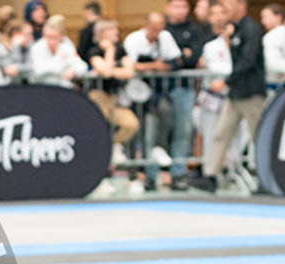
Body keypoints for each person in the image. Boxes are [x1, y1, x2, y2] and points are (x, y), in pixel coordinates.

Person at [191, 0, 266, 193]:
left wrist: (226, 81)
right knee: (221, 134)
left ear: (241, 4)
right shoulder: (234, 29)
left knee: (259, 137)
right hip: (235, 94)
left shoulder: (251, 29)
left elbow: (248, 61)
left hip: (251, 94)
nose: (226, 9)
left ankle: (265, 177)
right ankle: (210, 176)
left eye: (229, 4)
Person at [123, 13, 183, 192]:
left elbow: (175, 63)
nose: (157, 33)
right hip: (135, 93)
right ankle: (135, 171)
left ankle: (160, 157)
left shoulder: (165, 38)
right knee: (136, 131)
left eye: (160, 29)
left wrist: (153, 66)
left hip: (156, 92)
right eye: (154, 29)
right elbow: (131, 65)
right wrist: (155, 66)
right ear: (146, 25)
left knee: (164, 118)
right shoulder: (134, 39)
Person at [87, 19, 140, 194]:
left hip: (116, 99)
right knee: (102, 127)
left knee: (131, 124)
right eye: (112, 31)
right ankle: (101, 175)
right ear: (103, 33)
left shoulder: (121, 50)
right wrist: (109, 51)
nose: (117, 34)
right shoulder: (94, 50)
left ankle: (114, 145)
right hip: (98, 96)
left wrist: (113, 68)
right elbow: (107, 72)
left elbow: (129, 72)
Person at [195, 0, 248, 170]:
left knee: (237, 137)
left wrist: (231, 76)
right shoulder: (211, 46)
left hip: (233, 96)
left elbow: (245, 66)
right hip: (213, 99)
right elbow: (215, 67)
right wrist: (235, 73)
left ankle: (233, 171)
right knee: (212, 137)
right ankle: (210, 172)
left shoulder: (240, 46)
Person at [163, 0, 204, 191]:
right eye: (176, 6)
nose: (180, 10)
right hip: (159, 89)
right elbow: (162, 57)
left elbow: (192, 58)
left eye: (184, 6)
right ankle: (151, 173)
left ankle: (178, 173)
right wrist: (180, 55)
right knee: (156, 130)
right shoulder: (161, 27)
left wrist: (180, 57)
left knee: (183, 131)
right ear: (167, 7)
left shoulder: (194, 31)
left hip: (184, 88)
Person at [28, 15, 86, 87]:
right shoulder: (36, 48)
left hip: (62, 88)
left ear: (61, 37)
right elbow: (38, 71)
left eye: (54, 37)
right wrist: (60, 71)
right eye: (47, 36)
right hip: (40, 87)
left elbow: (82, 66)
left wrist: (73, 71)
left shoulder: (66, 48)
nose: (50, 41)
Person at [0, 19, 32, 86]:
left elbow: (32, 69)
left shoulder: (25, 49)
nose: (31, 37)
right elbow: (11, 71)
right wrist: (15, 46)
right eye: (28, 34)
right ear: (16, 34)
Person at [262, 4, 285, 81]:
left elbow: (272, 63)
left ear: (278, 17)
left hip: (277, 81)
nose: (263, 21)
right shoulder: (271, 35)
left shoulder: (273, 35)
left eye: (266, 17)